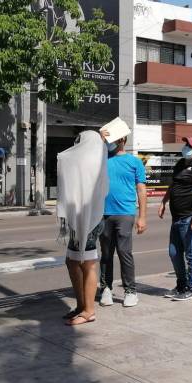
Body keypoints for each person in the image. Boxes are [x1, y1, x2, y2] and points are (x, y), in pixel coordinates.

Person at [57, 130, 109, 326]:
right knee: (72, 261)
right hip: (80, 219)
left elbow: (68, 159)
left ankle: (89, 310)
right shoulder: (96, 158)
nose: (76, 145)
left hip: (89, 221)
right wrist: (100, 140)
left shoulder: (93, 162)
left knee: (87, 264)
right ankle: (81, 305)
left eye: (79, 141)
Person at [97, 125, 147, 308]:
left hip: (125, 213)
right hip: (103, 214)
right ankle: (106, 289)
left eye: (113, 140)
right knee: (106, 254)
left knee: (124, 253)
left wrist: (142, 217)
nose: (110, 143)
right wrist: (100, 140)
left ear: (122, 140)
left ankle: (130, 291)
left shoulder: (134, 162)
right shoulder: (102, 160)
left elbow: (141, 190)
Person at [159, 136, 192, 301]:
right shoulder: (181, 164)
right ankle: (181, 284)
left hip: (190, 217)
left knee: (191, 253)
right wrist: (163, 202)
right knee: (174, 252)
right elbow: (173, 185)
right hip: (177, 218)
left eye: (189, 145)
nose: (185, 147)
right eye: (186, 144)